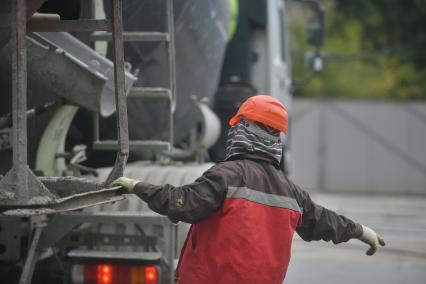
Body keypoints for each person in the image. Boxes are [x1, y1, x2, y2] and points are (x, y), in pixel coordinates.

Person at [112, 95, 385, 284]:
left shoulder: (228, 175)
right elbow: (324, 221)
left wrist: (137, 186)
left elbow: (181, 203)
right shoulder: (291, 191)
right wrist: (362, 231)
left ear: (244, 129)